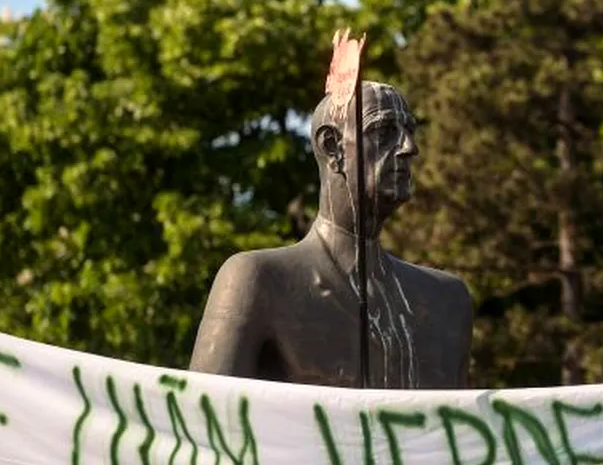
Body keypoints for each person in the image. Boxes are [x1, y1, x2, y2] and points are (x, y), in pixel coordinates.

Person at [188, 81, 473, 389]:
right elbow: (204, 423)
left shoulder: (446, 301)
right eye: (384, 131)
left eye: (409, 131)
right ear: (331, 146)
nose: (409, 147)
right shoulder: (258, 280)